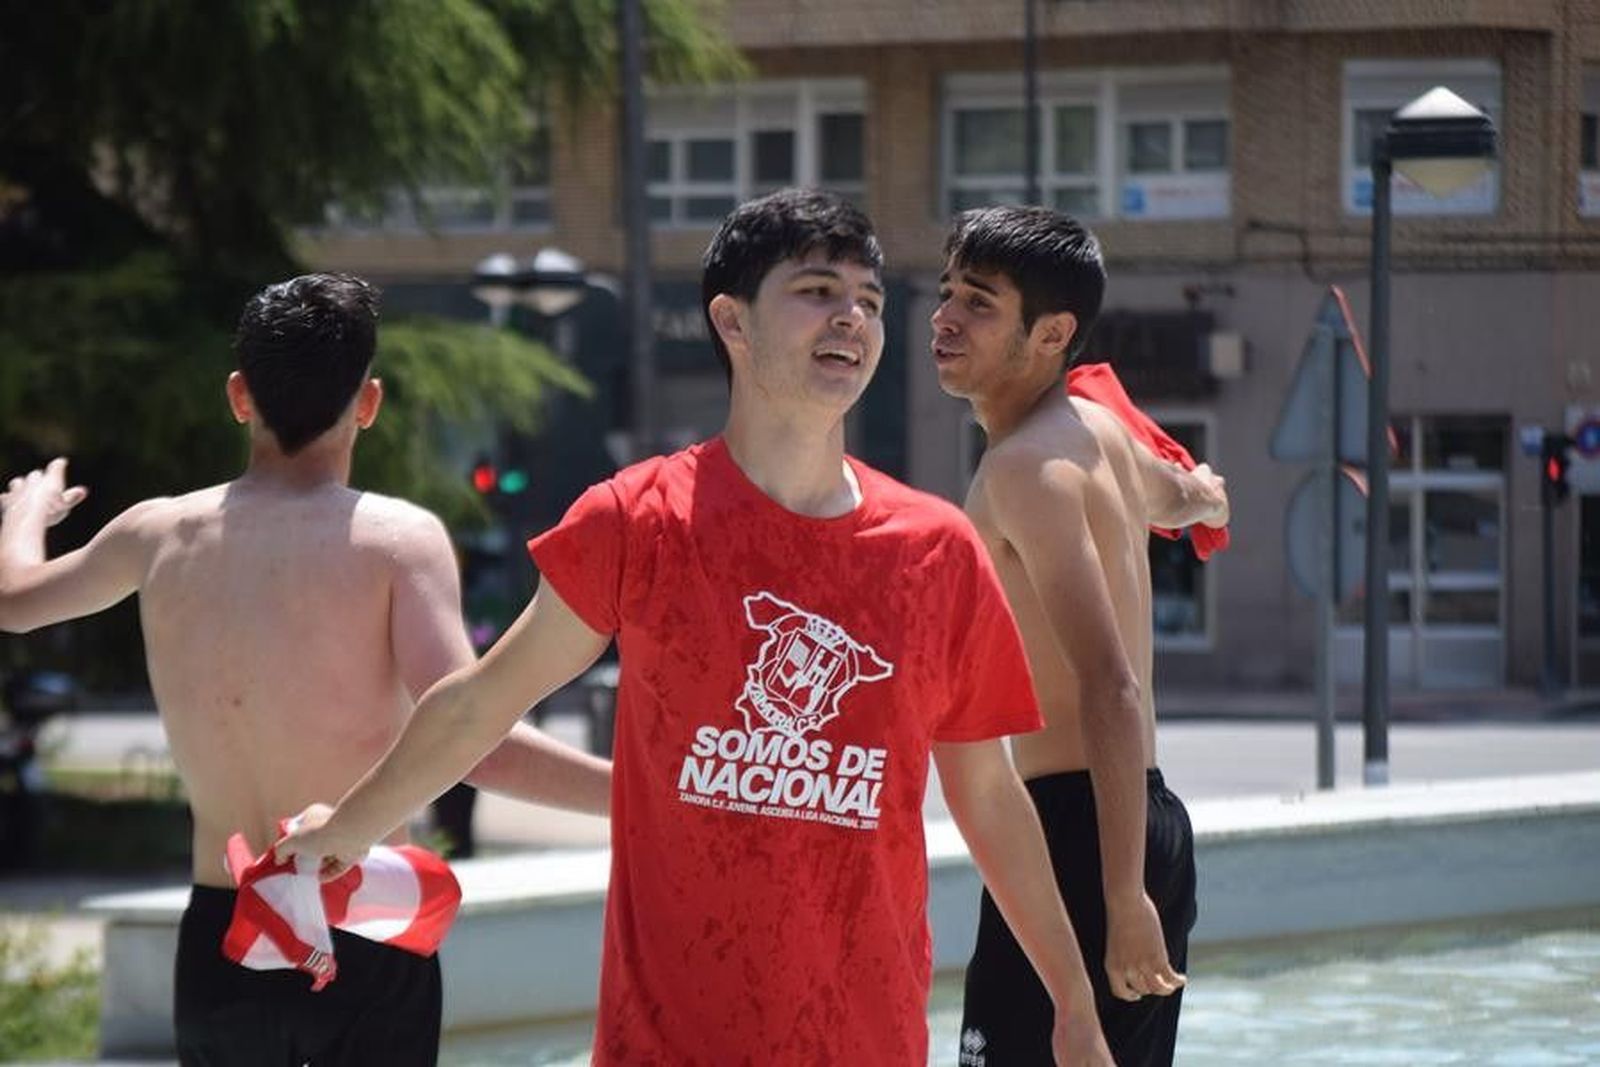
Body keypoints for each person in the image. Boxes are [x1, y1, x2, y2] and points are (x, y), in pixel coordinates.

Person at [281, 190, 1113, 1065]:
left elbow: (987, 795)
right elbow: (482, 701)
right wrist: (349, 826)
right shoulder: (638, 521)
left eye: (868, 301)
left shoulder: (937, 551)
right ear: (733, 320)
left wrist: (1074, 1001)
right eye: (818, 291)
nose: (852, 319)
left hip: (867, 1040)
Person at [0, 273, 611, 1066]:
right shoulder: (397, 540)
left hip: (221, 927)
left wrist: (25, 510)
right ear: (368, 403)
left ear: (238, 395)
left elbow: (13, 600)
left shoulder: (157, 536)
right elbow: (478, 744)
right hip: (364, 923)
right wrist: (644, 791)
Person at [933, 205, 1229, 1067]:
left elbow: (1109, 682)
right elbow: (1177, 495)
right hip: (1140, 818)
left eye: (980, 303)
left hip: (1083, 835)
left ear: (1052, 332)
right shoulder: (1100, 435)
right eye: (948, 293)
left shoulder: (1026, 468)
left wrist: (1122, 894)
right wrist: (1208, 494)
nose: (946, 317)